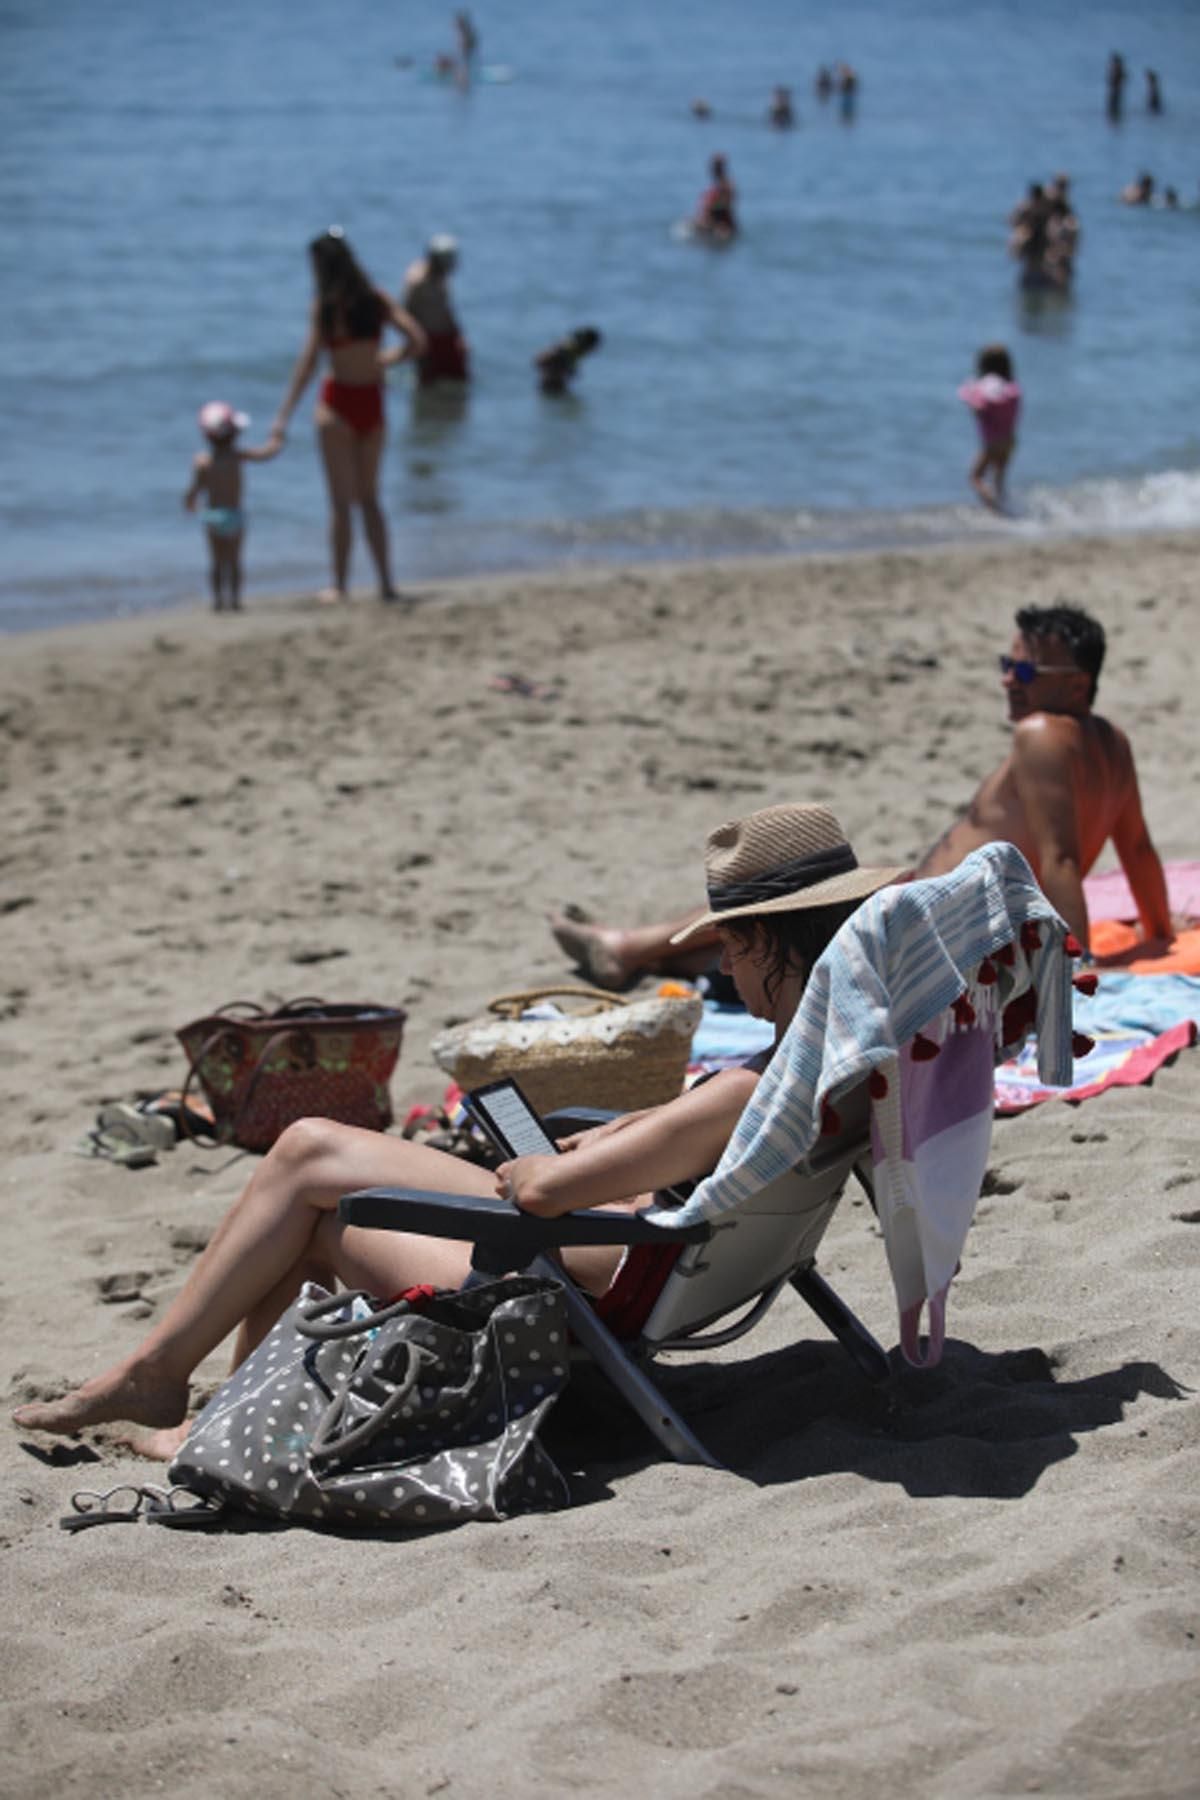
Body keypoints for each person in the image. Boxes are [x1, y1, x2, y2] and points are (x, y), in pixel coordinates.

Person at [11, 803, 898, 1457]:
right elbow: (711, 1155)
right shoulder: (840, 1059)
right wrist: (639, 1138)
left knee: (312, 1161)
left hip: (605, 1265)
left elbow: (546, 1195)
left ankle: (171, 1388)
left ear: (768, 944)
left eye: (731, 948)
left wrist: (526, 1172)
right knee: (316, 1182)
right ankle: (196, 1406)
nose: (724, 965)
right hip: (673, 1249)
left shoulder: (750, 1089)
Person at [548, 606, 1171, 980]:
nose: (1010, 679)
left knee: (787, 885)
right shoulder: (1111, 743)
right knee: (781, 936)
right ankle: (646, 956)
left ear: (1077, 683)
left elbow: (1060, 860)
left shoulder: (1040, 734)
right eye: (1005, 665)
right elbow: (1137, 849)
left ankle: (627, 947)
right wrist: (1160, 932)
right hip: (946, 912)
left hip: (934, 918)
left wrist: (1076, 969)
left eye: (1028, 671)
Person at [271, 228, 426, 605]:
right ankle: (386, 585)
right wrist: (388, 359)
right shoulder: (376, 301)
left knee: (341, 503)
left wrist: (283, 416)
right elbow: (417, 340)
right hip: (372, 401)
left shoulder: (326, 307)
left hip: (337, 404)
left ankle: (340, 586)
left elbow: (308, 364)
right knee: (370, 499)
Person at [182, 402, 282, 612]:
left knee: (217, 563)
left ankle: (218, 601)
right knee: (234, 562)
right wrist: (277, 438)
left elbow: (194, 491)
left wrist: (189, 504)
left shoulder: (204, 462)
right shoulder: (238, 456)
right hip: (235, 516)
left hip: (212, 516)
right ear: (235, 434)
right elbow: (266, 454)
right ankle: (235, 601)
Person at [958, 343, 1021, 510]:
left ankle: (995, 508)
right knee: (999, 479)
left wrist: (969, 396)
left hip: (992, 442)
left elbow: (979, 410)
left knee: (975, 477)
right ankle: (1006, 506)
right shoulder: (1011, 387)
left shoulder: (985, 386)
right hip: (1010, 440)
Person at [401, 235, 471, 386]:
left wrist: (459, 335)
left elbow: (446, 310)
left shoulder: (440, 276)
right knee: (427, 383)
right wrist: (417, 344)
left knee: (459, 381)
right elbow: (408, 314)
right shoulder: (417, 282)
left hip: (447, 337)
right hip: (428, 339)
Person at [534, 326, 602, 395]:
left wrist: (571, 369)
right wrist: (569, 369)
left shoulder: (574, 346)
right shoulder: (573, 347)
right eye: (594, 346)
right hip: (552, 373)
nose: (594, 349)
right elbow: (547, 358)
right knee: (553, 391)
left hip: (553, 372)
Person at [694, 154, 738, 240]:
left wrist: (709, 207)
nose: (714, 169)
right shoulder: (718, 186)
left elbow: (725, 204)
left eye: (716, 167)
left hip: (722, 224)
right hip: (712, 223)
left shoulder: (727, 185)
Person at [1106, 52, 1127, 121]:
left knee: (1114, 106)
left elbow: (1118, 80)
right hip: (1115, 91)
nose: (1113, 63)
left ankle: (1115, 116)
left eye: (1114, 62)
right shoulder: (1116, 70)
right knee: (1113, 106)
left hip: (1116, 91)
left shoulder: (1119, 70)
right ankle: (1114, 115)